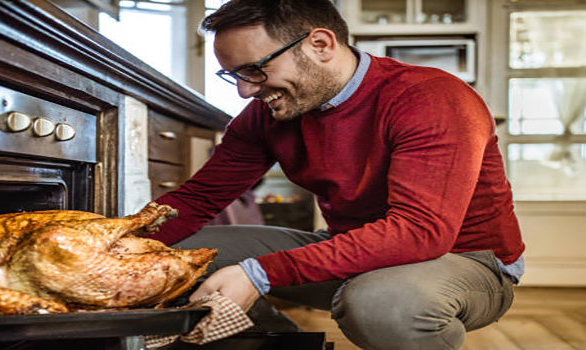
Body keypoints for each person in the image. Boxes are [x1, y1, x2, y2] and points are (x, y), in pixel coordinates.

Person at [149, 1, 526, 349]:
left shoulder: (431, 97)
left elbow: (420, 233)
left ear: (320, 44)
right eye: (233, 75)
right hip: (358, 246)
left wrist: (257, 273)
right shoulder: (267, 113)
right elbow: (197, 200)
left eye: (254, 70)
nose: (246, 91)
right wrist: (110, 245)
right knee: (165, 259)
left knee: (382, 305)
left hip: (467, 260)